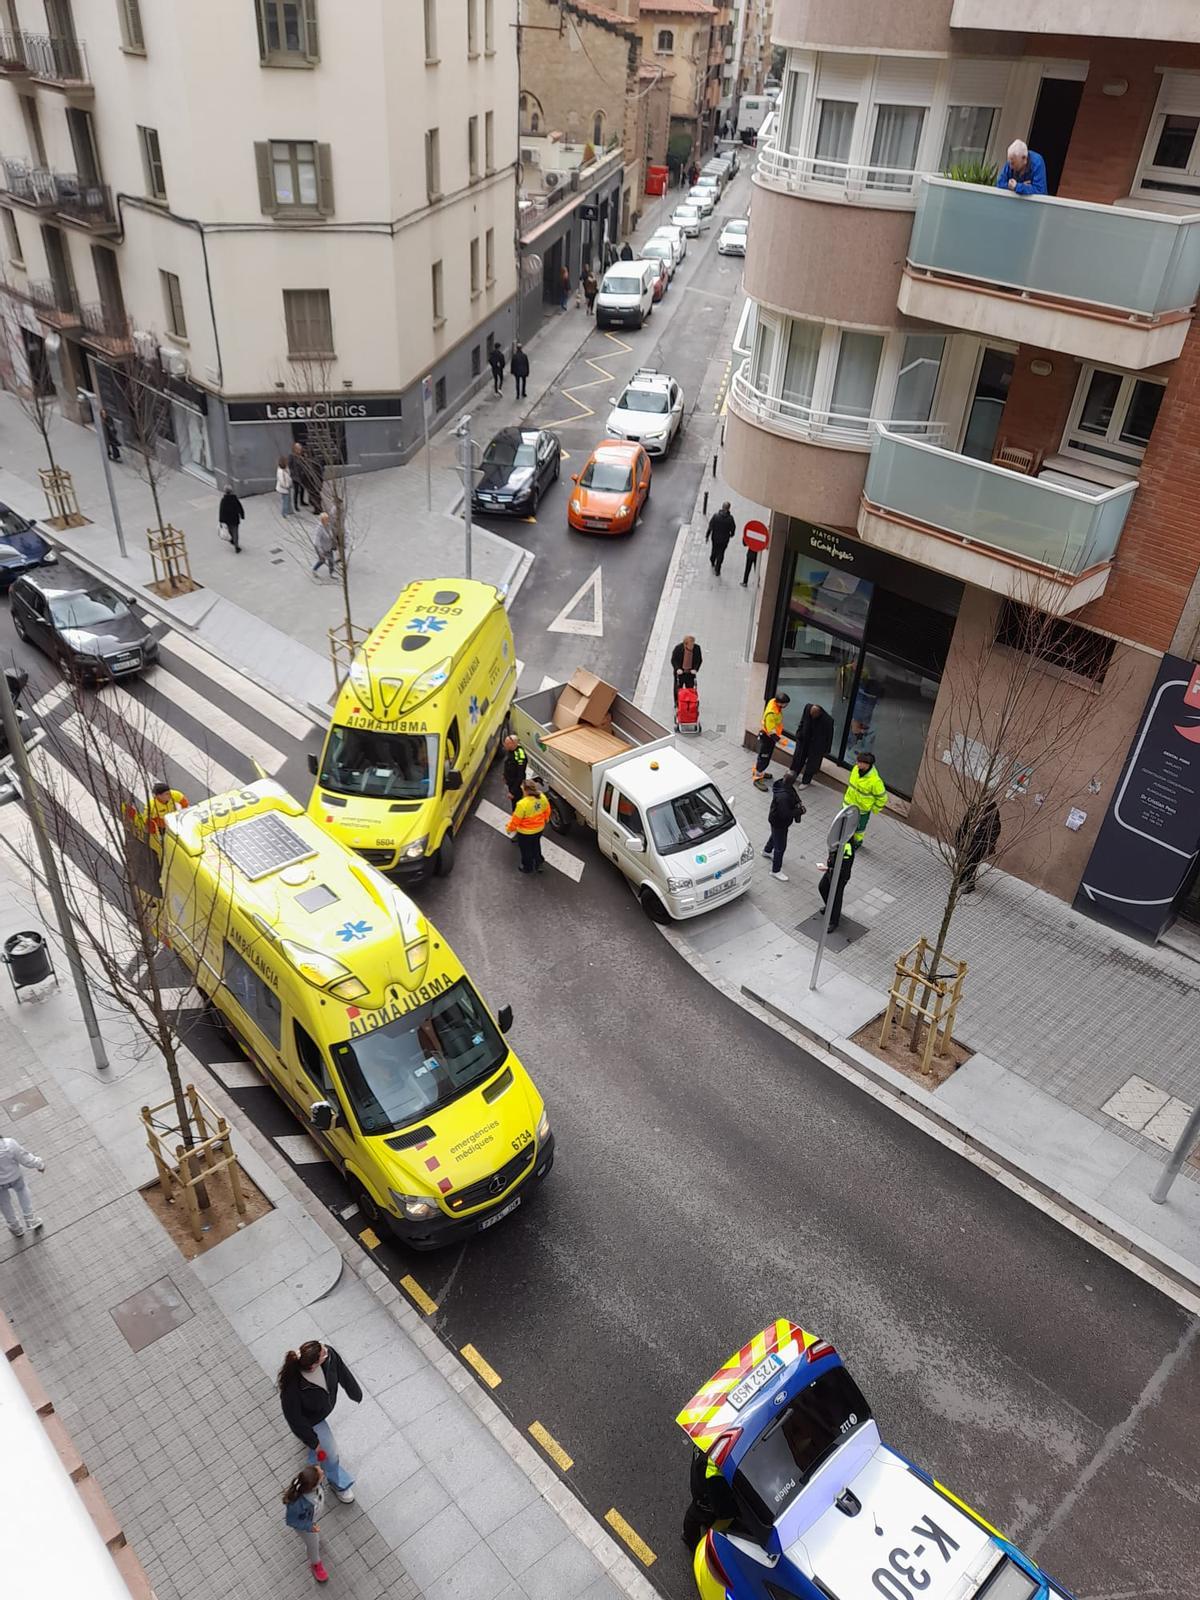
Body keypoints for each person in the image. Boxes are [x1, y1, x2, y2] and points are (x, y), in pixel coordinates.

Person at [278, 1341, 362, 1504]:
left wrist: (354, 1392)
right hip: (312, 1420)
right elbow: (295, 1419)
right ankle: (338, 1483)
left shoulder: (328, 1354)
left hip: (321, 1409)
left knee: (320, 1451)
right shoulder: (292, 1388)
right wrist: (314, 1442)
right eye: (323, 1353)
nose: (326, 1351)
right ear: (313, 1366)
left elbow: (342, 1370)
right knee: (330, 1455)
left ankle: (312, 1448)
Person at [682, 1445, 739, 1548]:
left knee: (699, 1509)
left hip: (701, 1466)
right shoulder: (714, 1471)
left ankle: (691, 1536)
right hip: (706, 1487)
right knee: (700, 1511)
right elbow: (720, 1507)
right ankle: (691, 1539)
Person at [283, 1462, 329, 1584]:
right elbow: (291, 1521)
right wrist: (309, 1527)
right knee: (313, 1544)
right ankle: (316, 1564)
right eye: (320, 1474)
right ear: (313, 1486)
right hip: (306, 1527)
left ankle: (314, 1542)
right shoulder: (297, 1504)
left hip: (312, 1519)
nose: (322, 1471)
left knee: (315, 1539)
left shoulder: (312, 1486)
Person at [762, 770, 804, 881]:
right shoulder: (784, 796)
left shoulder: (782, 786)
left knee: (775, 835)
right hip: (780, 822)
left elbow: (793, 796)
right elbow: (786, 814)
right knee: (780, 847)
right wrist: (799, 811)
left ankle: (767, 851)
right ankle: (775, 871)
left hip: (776, 820)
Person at [0, 1136, 44, 1238]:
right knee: (22, 1191)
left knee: (4, 1203)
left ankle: (15, 1226)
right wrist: (39, 1164)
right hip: (15, 1176)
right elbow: (25, 1158)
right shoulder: (9, 1144)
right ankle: (30, 1219)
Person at [506, 777, 551, 873]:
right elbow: (547, 810)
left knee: (525, 850)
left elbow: (516, 820)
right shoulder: (542, 797)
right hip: (539, 829)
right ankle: (539, 863)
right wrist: (545, 819)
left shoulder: (522, 804)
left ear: (526, 790)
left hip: (525, 833)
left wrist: (509, 829)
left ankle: (527, 867)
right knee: (536, 845)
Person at [842, 750, 887, 845]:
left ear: (867, 765)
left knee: (859, 829)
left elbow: (882, 798)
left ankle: (856, 843)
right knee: (844, 823)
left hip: (862, 810)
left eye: (859, 762)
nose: (856, 764)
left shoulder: (875, 782)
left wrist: (874, 809)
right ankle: (844, 839)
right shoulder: (855, 769)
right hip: (848, 804)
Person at [957, 798, 1001, 893]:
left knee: (972, 864)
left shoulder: (994, 822)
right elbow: (965, 823)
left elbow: (992, 837)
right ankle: (962, 878)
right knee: (965, 861)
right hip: (969, 842)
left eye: (984, 807)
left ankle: (970, 884)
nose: (982, 809)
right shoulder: (976, 814)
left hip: (979, 847)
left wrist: (986, 848)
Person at [818, 835, 859, 932]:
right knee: (822, 887)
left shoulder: (847, 846)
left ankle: (834, 921)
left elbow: (844, 866)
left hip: (840, 876)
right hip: (832, 871)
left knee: (836, 897)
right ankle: (829, 908)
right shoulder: (838, 840)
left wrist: (828, 869)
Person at [789, 702, 834, 787]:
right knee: (798, 758)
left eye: (815, 716)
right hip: (804, 740)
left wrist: (827, 749)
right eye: (811, 716)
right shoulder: (807, 708)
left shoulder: (828, 721)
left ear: (819, 713)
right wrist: (799, 733)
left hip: (816, 745)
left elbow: (829, 736)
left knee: (812, 763)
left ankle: (806, 781)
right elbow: (802, 721)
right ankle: (792, 776)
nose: (812, 718)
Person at [752, 691, 790, 789]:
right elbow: (771, 731)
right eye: (785, 703)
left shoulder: (773, 702)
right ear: (779, 703)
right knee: (764, 758)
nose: (786, 705)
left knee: (764, 757)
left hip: (768, 737)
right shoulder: (771, 714)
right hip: (767, 738)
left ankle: (759, 771)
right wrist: (780, 740)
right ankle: (757, 778)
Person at [705, 501, 736, 577]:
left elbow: (710, 527)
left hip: (715, 538)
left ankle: (712, 559)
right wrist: (732, 534)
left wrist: (707, 536)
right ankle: (717, 569)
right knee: (721, 553)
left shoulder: (716, 516)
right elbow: (733, 528)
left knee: (714, 549)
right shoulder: (730, 519)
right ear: (728, 508)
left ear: (722, 507)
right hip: (724, 540)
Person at [502, 733, 528, 808]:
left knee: (516, 805)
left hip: (516, 786)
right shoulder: (511, 750)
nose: (504, 745)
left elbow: (520, 776)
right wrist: (504, 775)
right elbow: (507, 763)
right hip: (510, 781)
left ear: (513, 744)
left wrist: (512, 792)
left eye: (507, 744)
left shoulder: (520, 756)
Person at [218, 486, 245, 552]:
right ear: (231, 491)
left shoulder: (223, 500)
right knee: (235, 532)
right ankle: (236, 546)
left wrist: (221, 520)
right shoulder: (234, 499)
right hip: (235, 519)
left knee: (230, 531)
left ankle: (232, 540)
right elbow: (239, 507)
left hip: (227, 520)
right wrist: (242, 515)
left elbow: (221, 511)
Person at [312, 512, 337, 578]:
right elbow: (316, 541)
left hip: (328, 546)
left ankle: (331, 573)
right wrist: (320, 551)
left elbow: (331, 534)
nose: (328, 520)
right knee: (322, 560)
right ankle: (314, 569)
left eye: (328, 518)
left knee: (331, 560)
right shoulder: (319, 529)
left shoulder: (328, 525)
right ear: (322, 520)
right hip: (322, 548)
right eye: (326, 519)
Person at [290, 441, 310, 511]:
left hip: (302, 475)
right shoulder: (292, 456)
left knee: (302, 489)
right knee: (296, 491)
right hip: (295, 477)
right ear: (295, 449)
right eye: (298, 448)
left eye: (300, 448)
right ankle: (295, 505)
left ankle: (302, 501)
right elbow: (290, 466)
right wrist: (293, 474)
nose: (300, 450)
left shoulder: (302, 455)